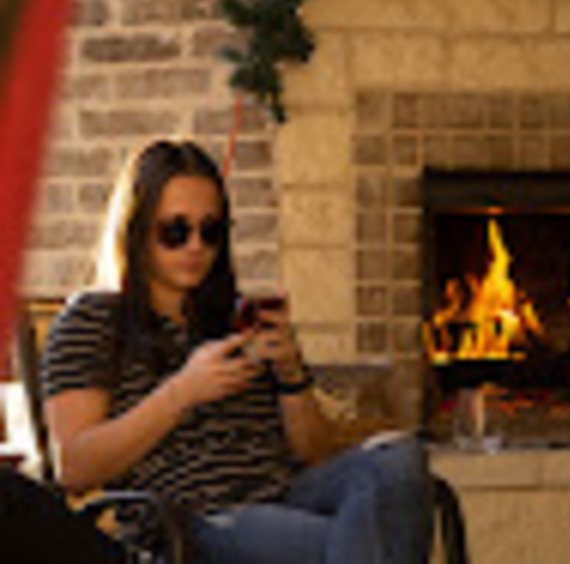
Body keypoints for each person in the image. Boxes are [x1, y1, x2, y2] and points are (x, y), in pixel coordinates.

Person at [40, 139, 434, 563]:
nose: (196, 247)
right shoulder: (94, 318)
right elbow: (75, 469)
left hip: (285, 495)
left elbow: (314, 454)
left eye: (210, 231)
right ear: (135, 231)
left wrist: (291, 375)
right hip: (194, 522)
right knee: (370, 540)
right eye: (175, 232)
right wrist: (182, 392)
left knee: (398, 457)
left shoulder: (237, 318)